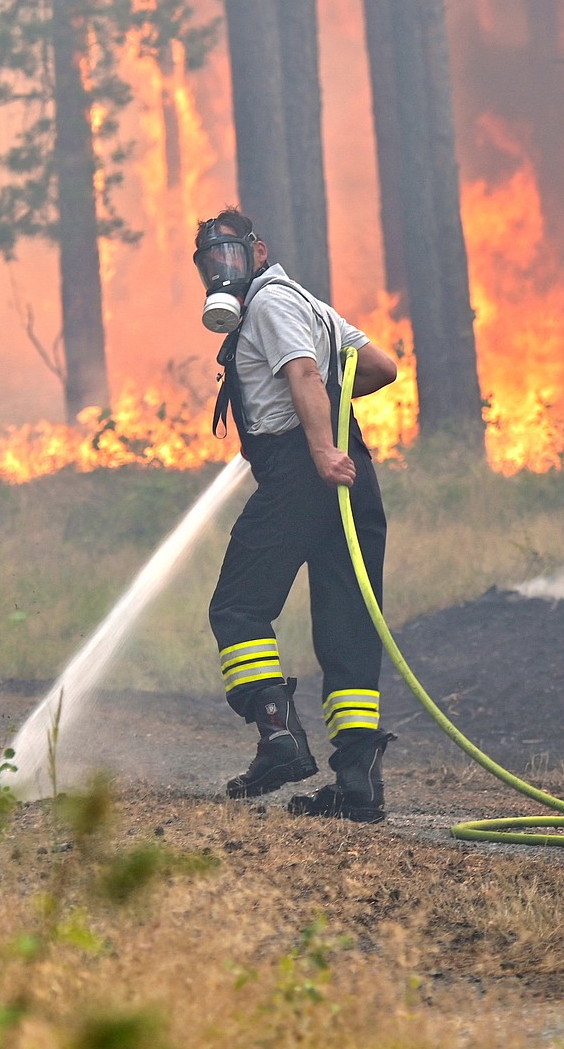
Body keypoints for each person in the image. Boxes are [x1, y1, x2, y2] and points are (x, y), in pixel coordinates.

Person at [193, 208, 400, 823]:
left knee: (237, 607)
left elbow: (304, 371)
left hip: (306, 473)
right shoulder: (309, 304)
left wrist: (319, 445)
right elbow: (383, 367)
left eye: (231, 254)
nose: (221, 269)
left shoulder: (271, 303)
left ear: (258, 253)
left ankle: (278, 738)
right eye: (211, 261)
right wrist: (334, 417)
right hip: (350, 477)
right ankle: (359, 785)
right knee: (348, 628)